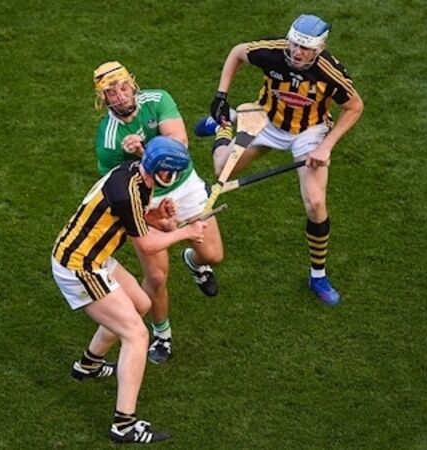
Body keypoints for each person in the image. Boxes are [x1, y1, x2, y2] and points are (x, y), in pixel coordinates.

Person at [52, 137, 208, 444]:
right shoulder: (127, 191)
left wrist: (160, 218)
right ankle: (124, 425)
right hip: (80, 266)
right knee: (137, 335)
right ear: (163, 171)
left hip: (94, 256)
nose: (175, 177)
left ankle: (89, 365)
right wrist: (185, 233)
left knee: (140, 302)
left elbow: (136, 218)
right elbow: (147, 245)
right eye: (174, 172)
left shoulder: (135, 174)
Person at [201, 14, 364, 306]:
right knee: (221, 169)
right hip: (265, 120)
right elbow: (237, 52)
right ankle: (223, 124)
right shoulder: (273, 52)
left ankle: (318, 276)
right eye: (294, 45)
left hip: (309, 132)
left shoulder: (330, 72)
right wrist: (220, 96)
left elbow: (355, 106)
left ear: (319, 49)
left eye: (305, 48)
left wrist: (326, 146)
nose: (297, 53)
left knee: (315, 204)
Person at [92, 61, 225, 363]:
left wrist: (144, 151)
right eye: (112, 93)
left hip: (186, 186)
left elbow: (180, 146)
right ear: (103, 99)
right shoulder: (109, 141)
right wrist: (132, 160)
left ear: (133, 84)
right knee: (155, 277)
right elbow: (118, 185)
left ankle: (194, 262)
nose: (121, 96)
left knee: (213, 255)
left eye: (124, 87)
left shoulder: (158, 99)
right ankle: (161, 333)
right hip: (146, 201)